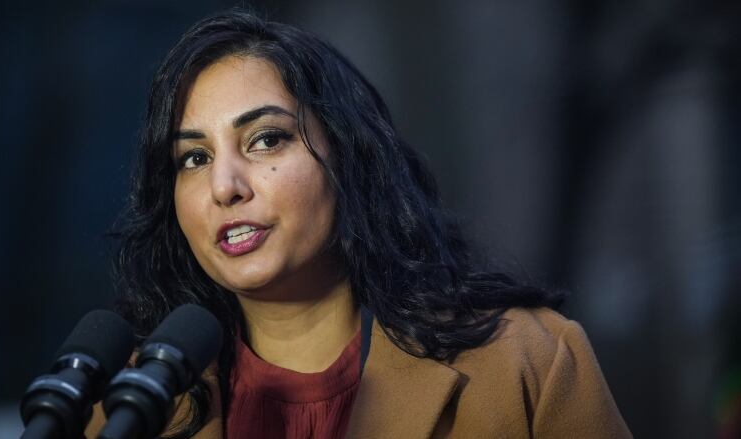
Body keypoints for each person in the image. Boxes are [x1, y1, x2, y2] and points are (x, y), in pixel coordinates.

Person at [86, 9, 631, 439]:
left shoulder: (527, 360)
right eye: (194, 159)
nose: (225, 187)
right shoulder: (126, 407)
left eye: (266, 139)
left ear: (348, 157)